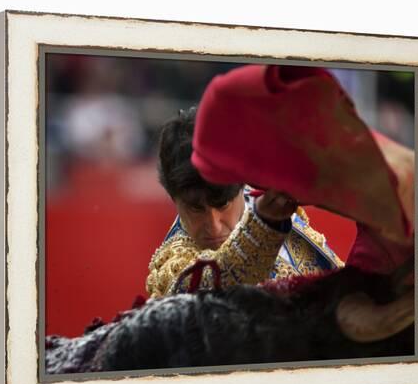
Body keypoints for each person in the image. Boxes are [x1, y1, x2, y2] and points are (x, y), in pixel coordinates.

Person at [146, 106, 343, 298]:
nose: (214, 227)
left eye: (223, 204)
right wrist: (264, 223)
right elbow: (216, 283)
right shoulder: (174, 263)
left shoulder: (264, 200)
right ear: (173, 198)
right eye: (196, 209)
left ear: (242, 185)